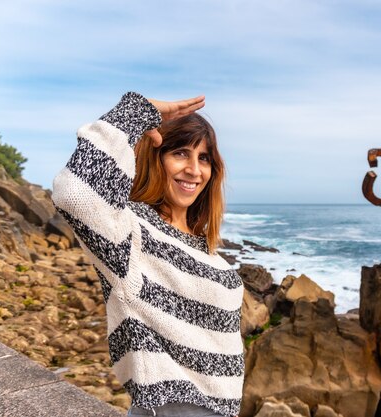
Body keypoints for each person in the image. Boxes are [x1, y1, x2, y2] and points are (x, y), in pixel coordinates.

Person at [52, 92, 244, 417]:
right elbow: (75, 194)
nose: (194, 170)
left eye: (204, 158)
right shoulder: (133, 233)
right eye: (181, 153)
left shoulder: (214, 258)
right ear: (157, 157)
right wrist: (137, 113)